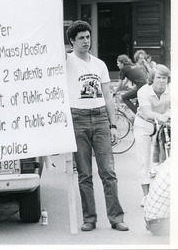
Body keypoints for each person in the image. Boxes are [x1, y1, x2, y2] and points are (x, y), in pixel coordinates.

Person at [66, 20, 129, 232]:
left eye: (88, 36)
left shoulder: (99, 64)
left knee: (108, 171)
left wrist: (113, 125)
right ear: (72, 41)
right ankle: (89, 218)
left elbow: (108, 96)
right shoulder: (67, 62)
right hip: (78, 118)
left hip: (101, 117)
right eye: (81, 38)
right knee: (84, 174)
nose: (86, 41)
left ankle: (116, 217)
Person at [133, 64, 170, 207]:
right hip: (144, 123)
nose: (161, 81)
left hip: (163, 124)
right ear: (152, 79)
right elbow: (148, 113)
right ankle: (146, 196)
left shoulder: (172, 90)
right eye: (159, 77)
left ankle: (161, 193)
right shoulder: (144, 91)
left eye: (164, 78)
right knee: (144, 160)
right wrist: (164, 116)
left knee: (163, 159)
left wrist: (166, 116)